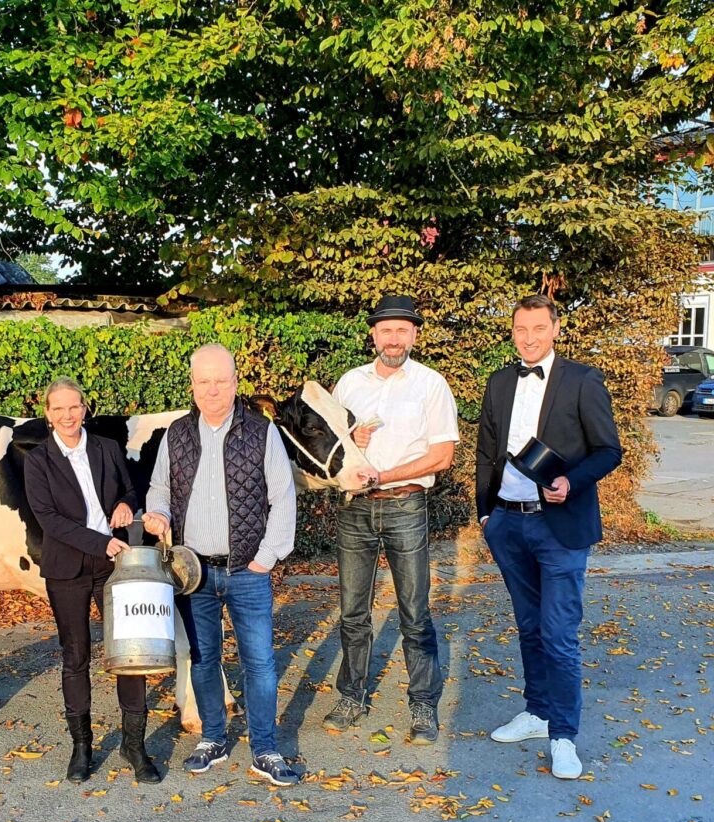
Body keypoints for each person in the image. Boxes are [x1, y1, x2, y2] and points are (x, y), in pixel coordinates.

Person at [477, 294, 622, 779]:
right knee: (529, 626)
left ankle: (563, 735)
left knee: (559, 634)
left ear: (555, 328)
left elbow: (608, 450)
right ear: (512, 331)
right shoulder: (499, 381)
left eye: (539, 327)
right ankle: (537, 713)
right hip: (509, 524)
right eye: (522, 328)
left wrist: (570, 482)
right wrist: (485, 514)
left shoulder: (581, 380)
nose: (530, 336)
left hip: (560, 527)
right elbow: (485, 451)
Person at [142, 343, 298, 787]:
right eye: (204, 382)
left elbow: (283, 497)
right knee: (204, 659)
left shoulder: (263, 432)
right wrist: (160, 515)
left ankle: (265, 748)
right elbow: (159, 488)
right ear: (192, 386)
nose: (213, 390)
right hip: (194, 573)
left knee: (260, 663)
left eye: (221, 381)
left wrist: (265, 559)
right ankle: (212, 737)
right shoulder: (176, 434)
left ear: (235, 383)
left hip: (247, 571)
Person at [323, 294, 459, 745]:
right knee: (352, 612)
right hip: (355, 508)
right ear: (373, 334)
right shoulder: (348, 383)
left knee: (415, 613)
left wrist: (384, 474)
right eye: (386, 330)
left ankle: (423, 704)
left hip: (405, 505)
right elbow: (331, 449)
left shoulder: (431, 384)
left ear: (415, 335)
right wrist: (350, 438)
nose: (394, 338)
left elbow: (442, 455)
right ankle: (352, 695)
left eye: (403, 330)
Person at [24, 377, 162, 784]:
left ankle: (134, 745)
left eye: (74, 407)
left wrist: (125, 503)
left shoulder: (107, 447)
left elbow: (131, 491)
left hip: (114, 567)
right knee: (76, 656)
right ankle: (82, 747)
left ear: (85, 408)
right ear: (47, 414)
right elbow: (48, 519)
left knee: (130, 652)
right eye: (58, 409)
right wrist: (101, 542)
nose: (68, 416)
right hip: (67, 568)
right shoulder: (37, 460)